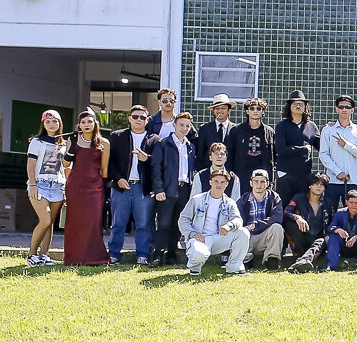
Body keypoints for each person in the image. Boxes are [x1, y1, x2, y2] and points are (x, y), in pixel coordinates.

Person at [106, 103, 154, 265]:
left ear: (147, 120)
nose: (138, 119)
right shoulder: (117, 136)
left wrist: (147, 158)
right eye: (135, 116)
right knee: (118, 223)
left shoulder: (154, 139)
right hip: (121, 186)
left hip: (143, 187)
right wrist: (118, 178)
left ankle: (143, 255)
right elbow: (109, 162)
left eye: (142, 117)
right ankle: (113, 254)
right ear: (129, 118)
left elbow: (159, 163)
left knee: (143, 224)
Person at [179, 168, 250, 276]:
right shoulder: (196, 200)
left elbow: (238, 220)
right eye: (216, 181)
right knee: (199, 255)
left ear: (226, 184)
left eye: (222, 182)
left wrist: (228, 226)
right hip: (200, 238)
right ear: (210, 182)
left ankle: (235, 266)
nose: (219, 185)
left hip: (219, 238)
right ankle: (195, 266)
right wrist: (192, 233)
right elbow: (183, 219)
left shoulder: (230, 203)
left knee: (243, 232)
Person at [62, 109, 110, 267]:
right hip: (75, 186)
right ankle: (74, 257)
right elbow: (65, 163)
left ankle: (95, 258)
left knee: (93, 221)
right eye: (83, 122)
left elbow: (104, 170)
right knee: (75, 221)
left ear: (95, 123)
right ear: (79, 125)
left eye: (89, 121)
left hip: (95, 187)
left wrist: (105, 188)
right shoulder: (73, 140)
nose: (86, 124)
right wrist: (72, 147)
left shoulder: (104, 143)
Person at [148, 111, 196, 265]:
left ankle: (171, 253)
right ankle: (157, 254)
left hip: (184, 189)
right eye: (181, 125)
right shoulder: (164, 144)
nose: (184, 128)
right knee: (163, 223)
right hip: (168, 188)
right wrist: (158, 189)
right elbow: (156, 168)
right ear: (174, 125)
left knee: (177, 222)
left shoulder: (190, 146)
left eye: (187, 126)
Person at [24, 109, 70, 266]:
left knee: (50, 223)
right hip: (40, 184)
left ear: (60, 123)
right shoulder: (37, 142)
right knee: (45, 219)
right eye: (48, 121)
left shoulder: (64, 144)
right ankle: (32, 254)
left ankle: (44, 255)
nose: (51, 124)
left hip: (58, 185)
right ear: (43, 124)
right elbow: (31, 165)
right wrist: (33, 185)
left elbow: (66, 167)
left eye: (55, 121)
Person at [318, 95, 357, 209]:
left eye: (347, 107)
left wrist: (346, 145)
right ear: (336, 109)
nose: (344, 109)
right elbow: (323, 154)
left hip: (352, 180)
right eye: (341, 107)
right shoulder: (328, 130)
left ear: (352, 110)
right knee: (330, 213)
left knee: (352, 212)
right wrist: (338, 172)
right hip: (333, 180)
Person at [273, 91, 319, 208]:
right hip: (286, 175)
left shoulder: (311, 126)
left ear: (305, 107)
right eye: (295, 104)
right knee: (283, 208)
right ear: (289, 107)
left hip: (304, 176)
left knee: (301, 209)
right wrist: (303, 150)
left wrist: (330, 130)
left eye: (301, 104)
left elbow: (321, 146)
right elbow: (281, 149)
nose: (298, 106)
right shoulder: (282, 126)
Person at [237, 169, 286, 268]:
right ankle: (246, 260)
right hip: (248, 237)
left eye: (262, 181)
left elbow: (277, 217)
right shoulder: (243, 200)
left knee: (277, 228)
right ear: (251, 183)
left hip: (264, 237)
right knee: (240, 232)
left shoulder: (274, 198)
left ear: (267, 183)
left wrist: (256, 225)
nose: (259, 185)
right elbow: (235, 218)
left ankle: (272, 260)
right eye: (256, 181)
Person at [226, 97, 276, 193]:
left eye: (259, 109)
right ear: (247, 111)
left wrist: (270, 180)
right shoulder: (236, 131)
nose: (255, 111)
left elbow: (273, 157)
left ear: (263, 111)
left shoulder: (269, 132)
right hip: (240, 177)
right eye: (252, 108)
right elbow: (229, 155)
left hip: (262, 178)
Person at [285, 174, 332, 272]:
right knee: (290, 224)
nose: (319, 186)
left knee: (322, 240)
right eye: (316, 183)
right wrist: (297, 217)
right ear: (310, 185)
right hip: (302, 237)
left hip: (318, 239)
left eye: (322, 184)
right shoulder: (299, 198)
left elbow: (332, 222)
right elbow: (286, 212)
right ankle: (302, 261)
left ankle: (301, 262)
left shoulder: (328, 203)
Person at [325, 188, 357, 271]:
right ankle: (331, 265)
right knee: (333, 237)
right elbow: (330, 227)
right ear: (346, 202)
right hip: (344, 247)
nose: (354, 205)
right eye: (351, 202)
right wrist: (337, 230)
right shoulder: (340, 213)